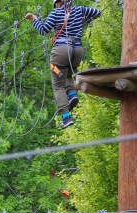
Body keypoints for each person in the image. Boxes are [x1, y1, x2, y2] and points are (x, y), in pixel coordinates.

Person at [25, 0, 101, 129]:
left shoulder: (56, 12)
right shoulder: (80, 10)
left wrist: (34, 19)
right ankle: (71, 94)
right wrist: (83, 19)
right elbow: (97, 13)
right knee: (66, 75)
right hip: (77, 51)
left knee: (58, 84)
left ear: (59, 3)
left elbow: (43, 30)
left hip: (61, 50)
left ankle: (66, 117)